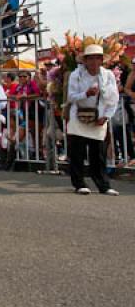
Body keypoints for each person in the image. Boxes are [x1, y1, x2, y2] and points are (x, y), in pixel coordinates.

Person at [66, 44, 119, 195]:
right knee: (78, 152)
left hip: (99, 117)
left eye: (97, 58)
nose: (94, 62)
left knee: (98, 153)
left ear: (102, 60)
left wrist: (106, 116)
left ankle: (103, 184)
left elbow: (114, 98)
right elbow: (71, 96)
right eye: (91, 58)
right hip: (79, 116)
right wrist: (86, 94)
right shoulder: (76, 75)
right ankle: (79, 183)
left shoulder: (108, 75)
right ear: (85, 61)